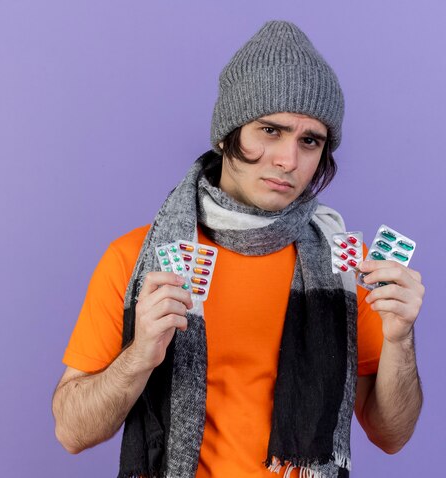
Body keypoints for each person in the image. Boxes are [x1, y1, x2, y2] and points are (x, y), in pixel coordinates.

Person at [52, 20, 425, 478]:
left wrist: (401, 338)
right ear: (227, 133)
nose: (289, 160)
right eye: (270, 130)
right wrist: (140, 355)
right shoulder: (136, 258)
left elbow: (392, 434)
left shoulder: (348, 268)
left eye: (310, 141)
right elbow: (72, 432)